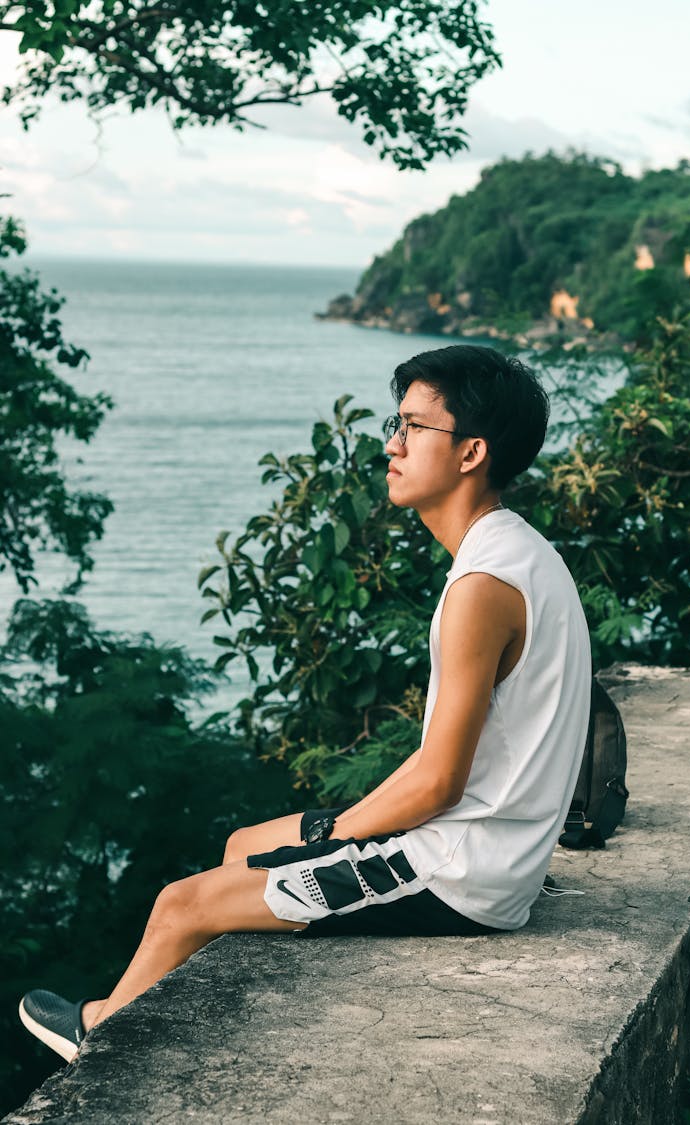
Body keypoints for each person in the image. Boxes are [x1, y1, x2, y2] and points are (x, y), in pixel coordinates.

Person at [19, 344, 591, 1063]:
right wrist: (329, 834)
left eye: (415, 427)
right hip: (480, 845)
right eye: (397, 422)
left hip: (460, 872)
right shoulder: (521, 553)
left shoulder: (482, 587)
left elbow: (440, 779)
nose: (392, 442)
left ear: (471, 452)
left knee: (180, 905)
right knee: (241, 849)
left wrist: (335, 837)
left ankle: (99, 1038)